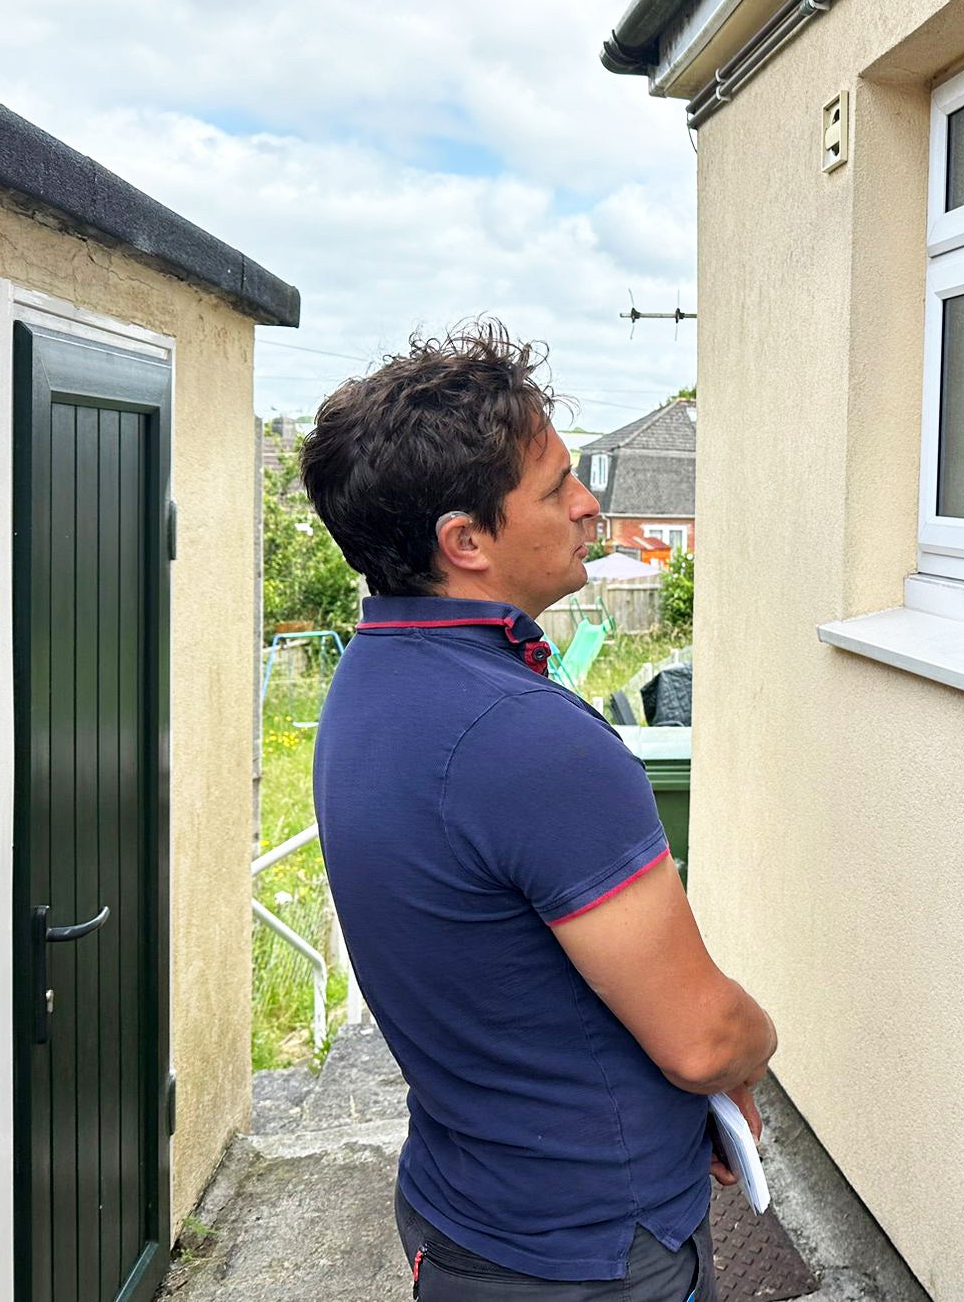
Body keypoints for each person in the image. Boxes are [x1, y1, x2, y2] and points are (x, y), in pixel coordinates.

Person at [300, 322, 776, 1301]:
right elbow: (702, 1038)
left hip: (460, 1213)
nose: (588, 504)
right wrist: (755, 1045)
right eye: (556, 485)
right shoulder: (529, 737)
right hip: (588, 1252)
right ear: (464, 541)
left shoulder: (368, 681)